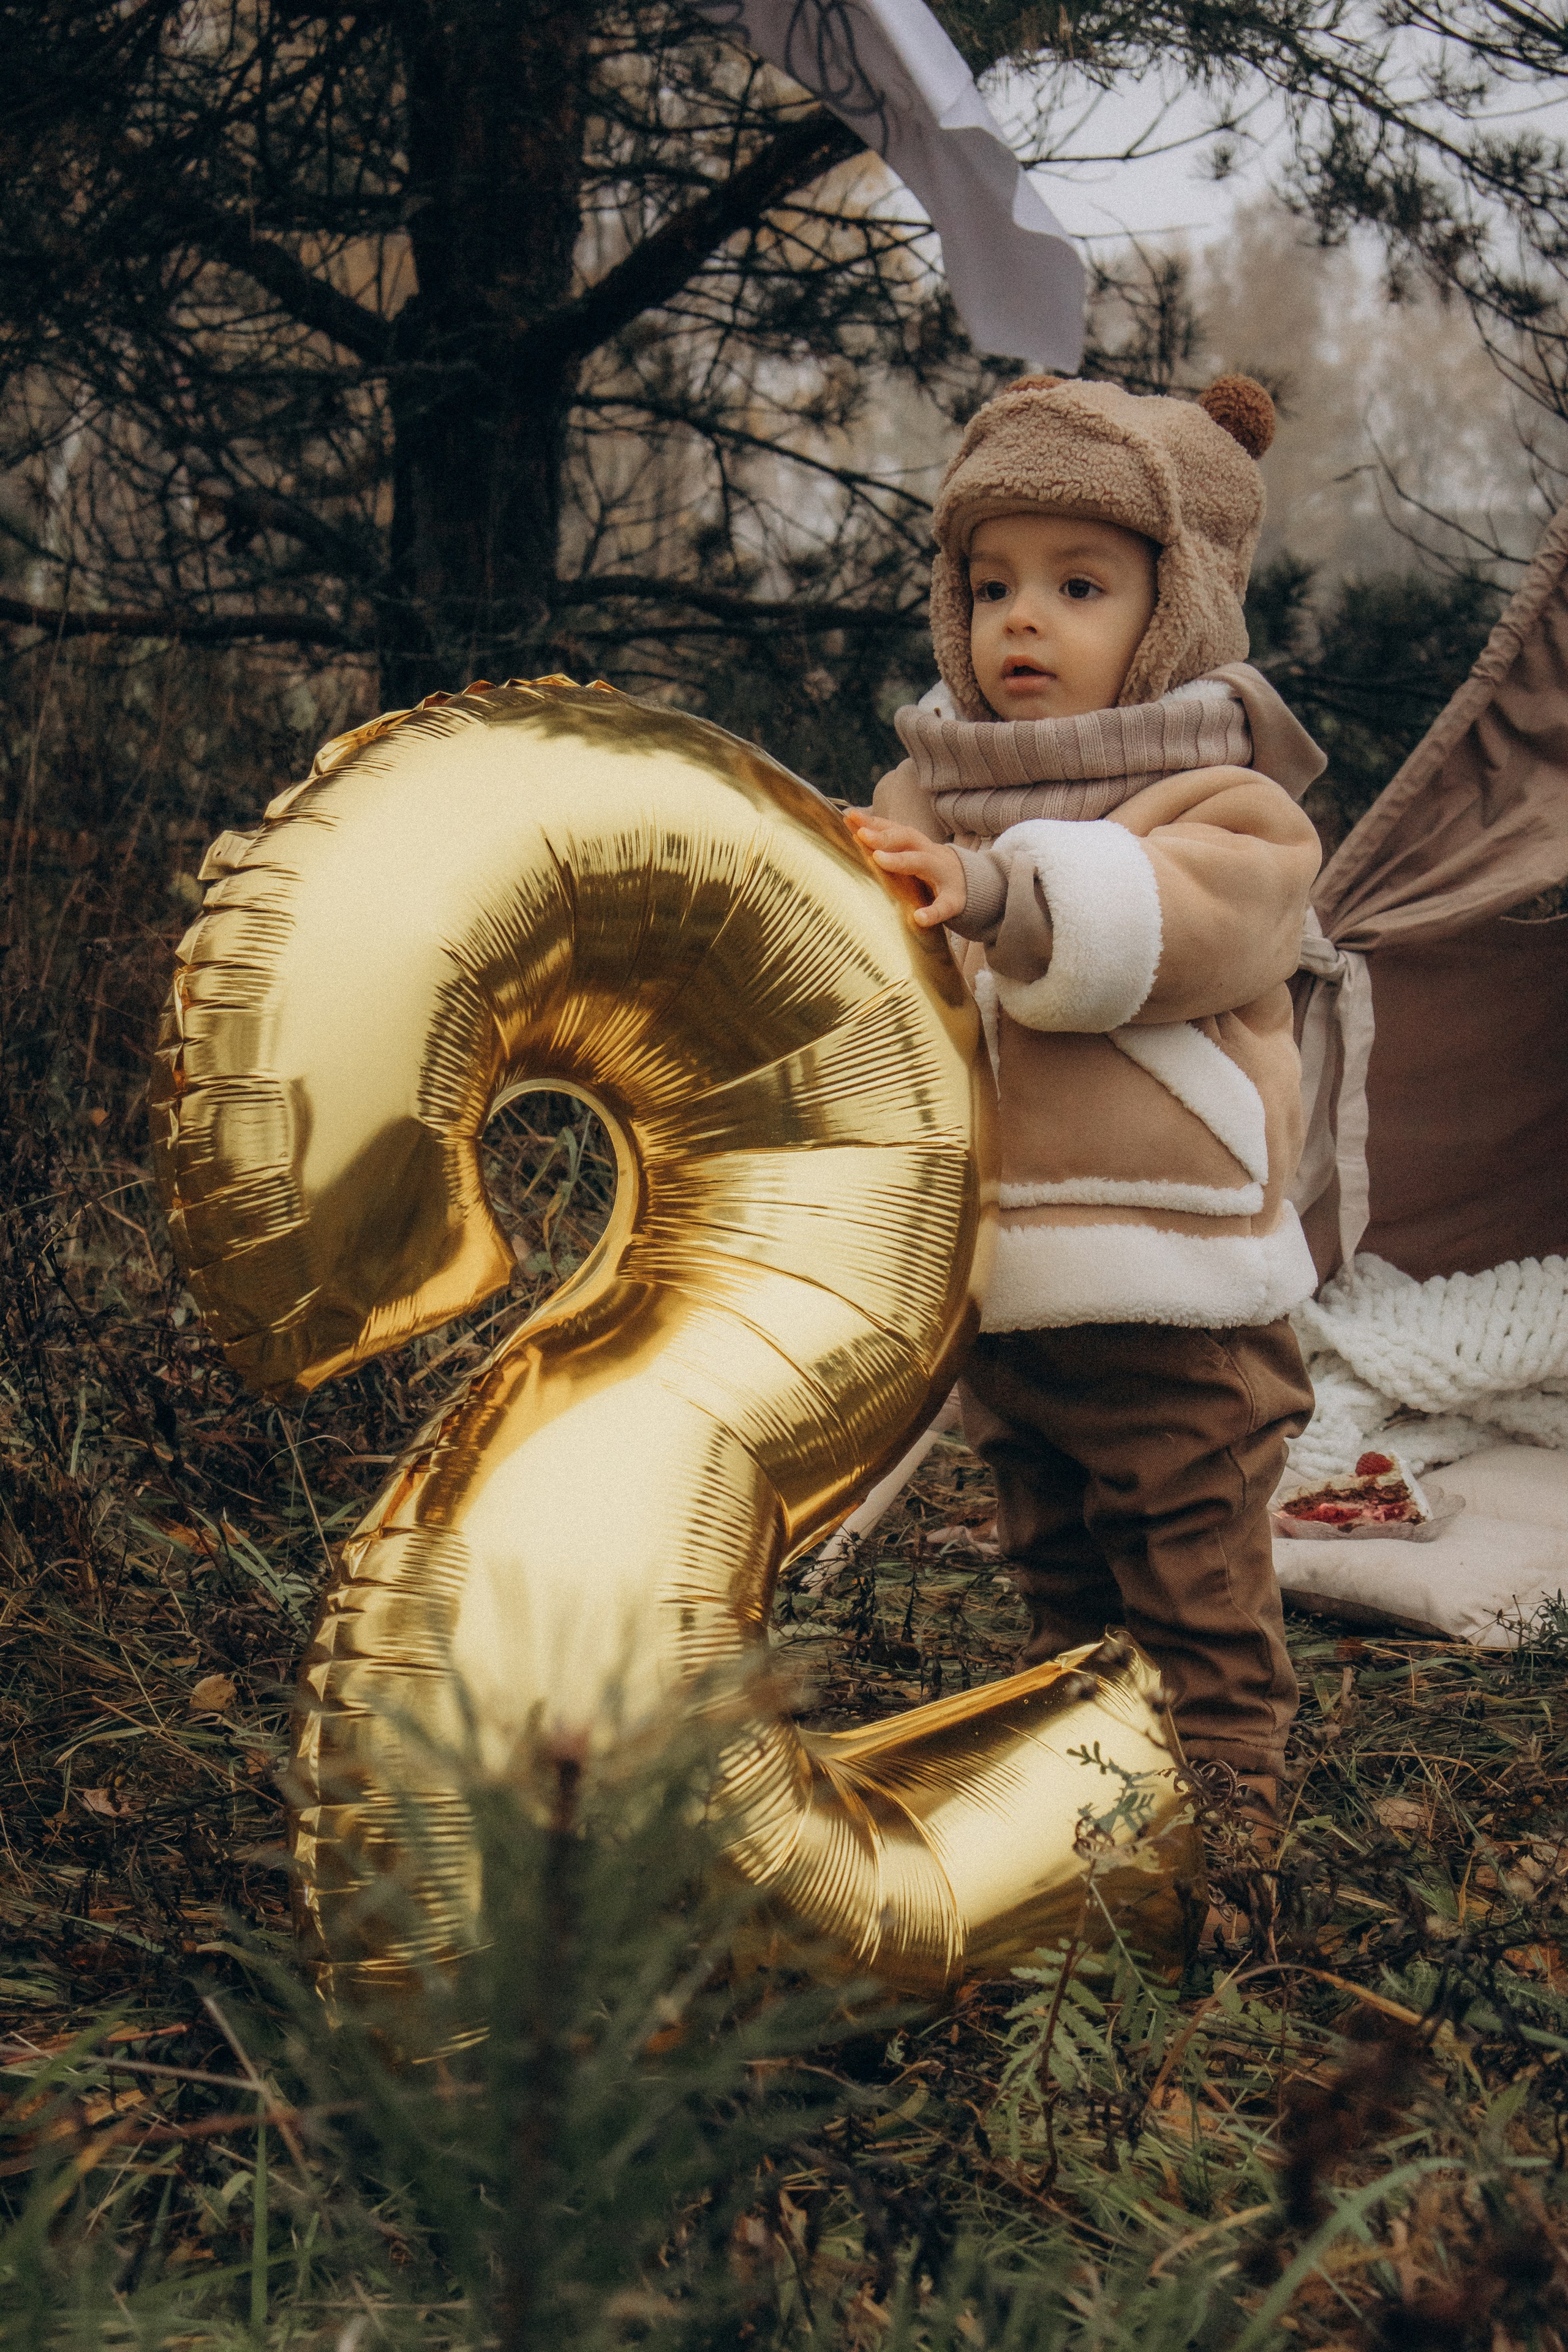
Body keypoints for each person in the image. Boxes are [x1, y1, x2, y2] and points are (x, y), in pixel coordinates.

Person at [846, 371, 1325, 1836]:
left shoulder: (1221, 800)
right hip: (1006, 1290)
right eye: (988, 586)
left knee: (1189, 1571)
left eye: (1074, 584)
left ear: (1170, 609)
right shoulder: (923, 795)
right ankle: (1087, 1810)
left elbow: (1179, 929)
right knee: (1054, 1564)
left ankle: (1233, 1825)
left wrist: (994, 893)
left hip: (1176, 1295)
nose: (1019, 622)